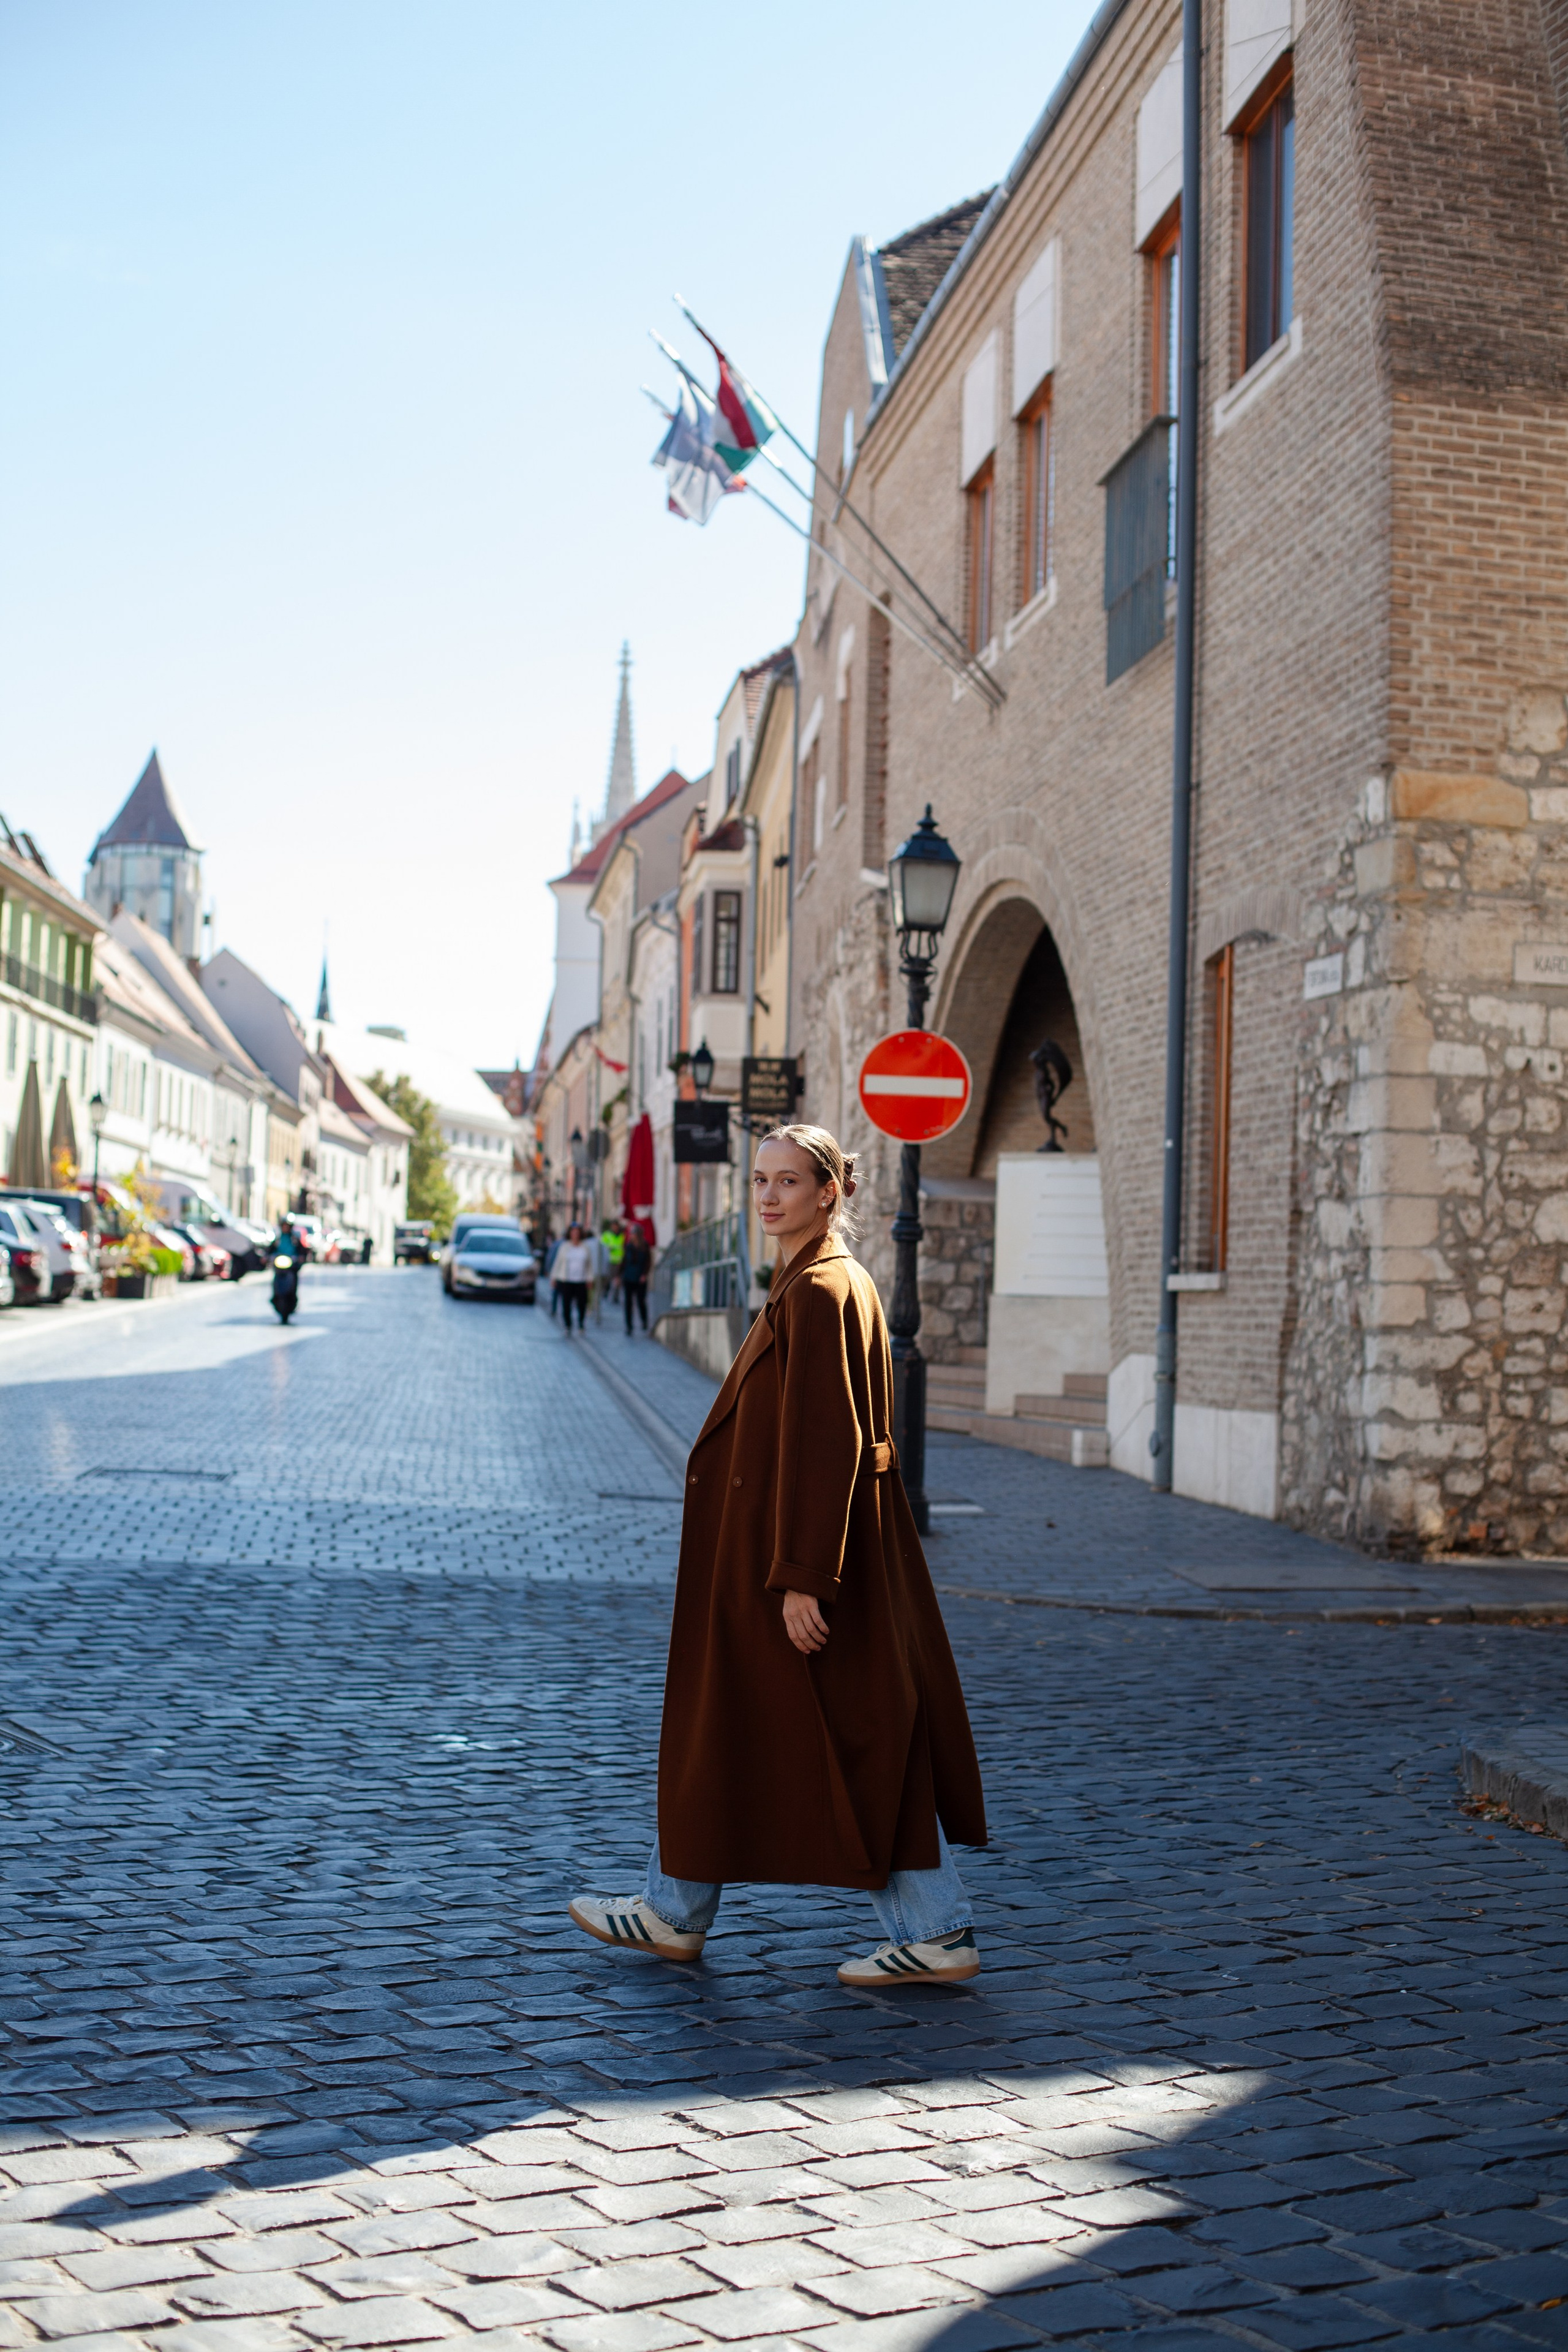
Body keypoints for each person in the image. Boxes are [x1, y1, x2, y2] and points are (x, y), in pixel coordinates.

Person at [571, 1123, 987, 1986]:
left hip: (795, 1569)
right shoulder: (820, 1281)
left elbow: (823, 1443)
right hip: (795, 1560)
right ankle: (676, 1909)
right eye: (760, 1180)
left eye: (788, 1182)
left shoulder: (820, 1292)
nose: (767, 1197)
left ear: (830, 1192)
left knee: (849, 1737)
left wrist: (803, 1580)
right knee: (777, 1729)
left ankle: (932, 1929)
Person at [552, 1223, 593, 1332]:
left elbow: (589, 1265)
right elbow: (558, 1262)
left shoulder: (585, 1247)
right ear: (570, 1233)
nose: (575, 1234)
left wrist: (590, 1278)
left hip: (581, 1280)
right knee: (566, 1304)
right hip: (567, 1279)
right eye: (573, 1232)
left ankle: (581, 1323)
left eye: (577, 1232)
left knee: (582, 1304)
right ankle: (568, 1325)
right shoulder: (564, 1247)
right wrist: (554, 1277)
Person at [620, 1221, 651, 1334]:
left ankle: (644, 1321)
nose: (632, 1235)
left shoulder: (644, 1246)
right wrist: (619, 1276)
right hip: (628, 1277)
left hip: (640, 1278)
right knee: (628, 1303)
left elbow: (648, 1262)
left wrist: (644, 1274)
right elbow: (623, 1262)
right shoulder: (628, 1246)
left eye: (633, 1233)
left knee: (640, 1301)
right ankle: (629, 1326)